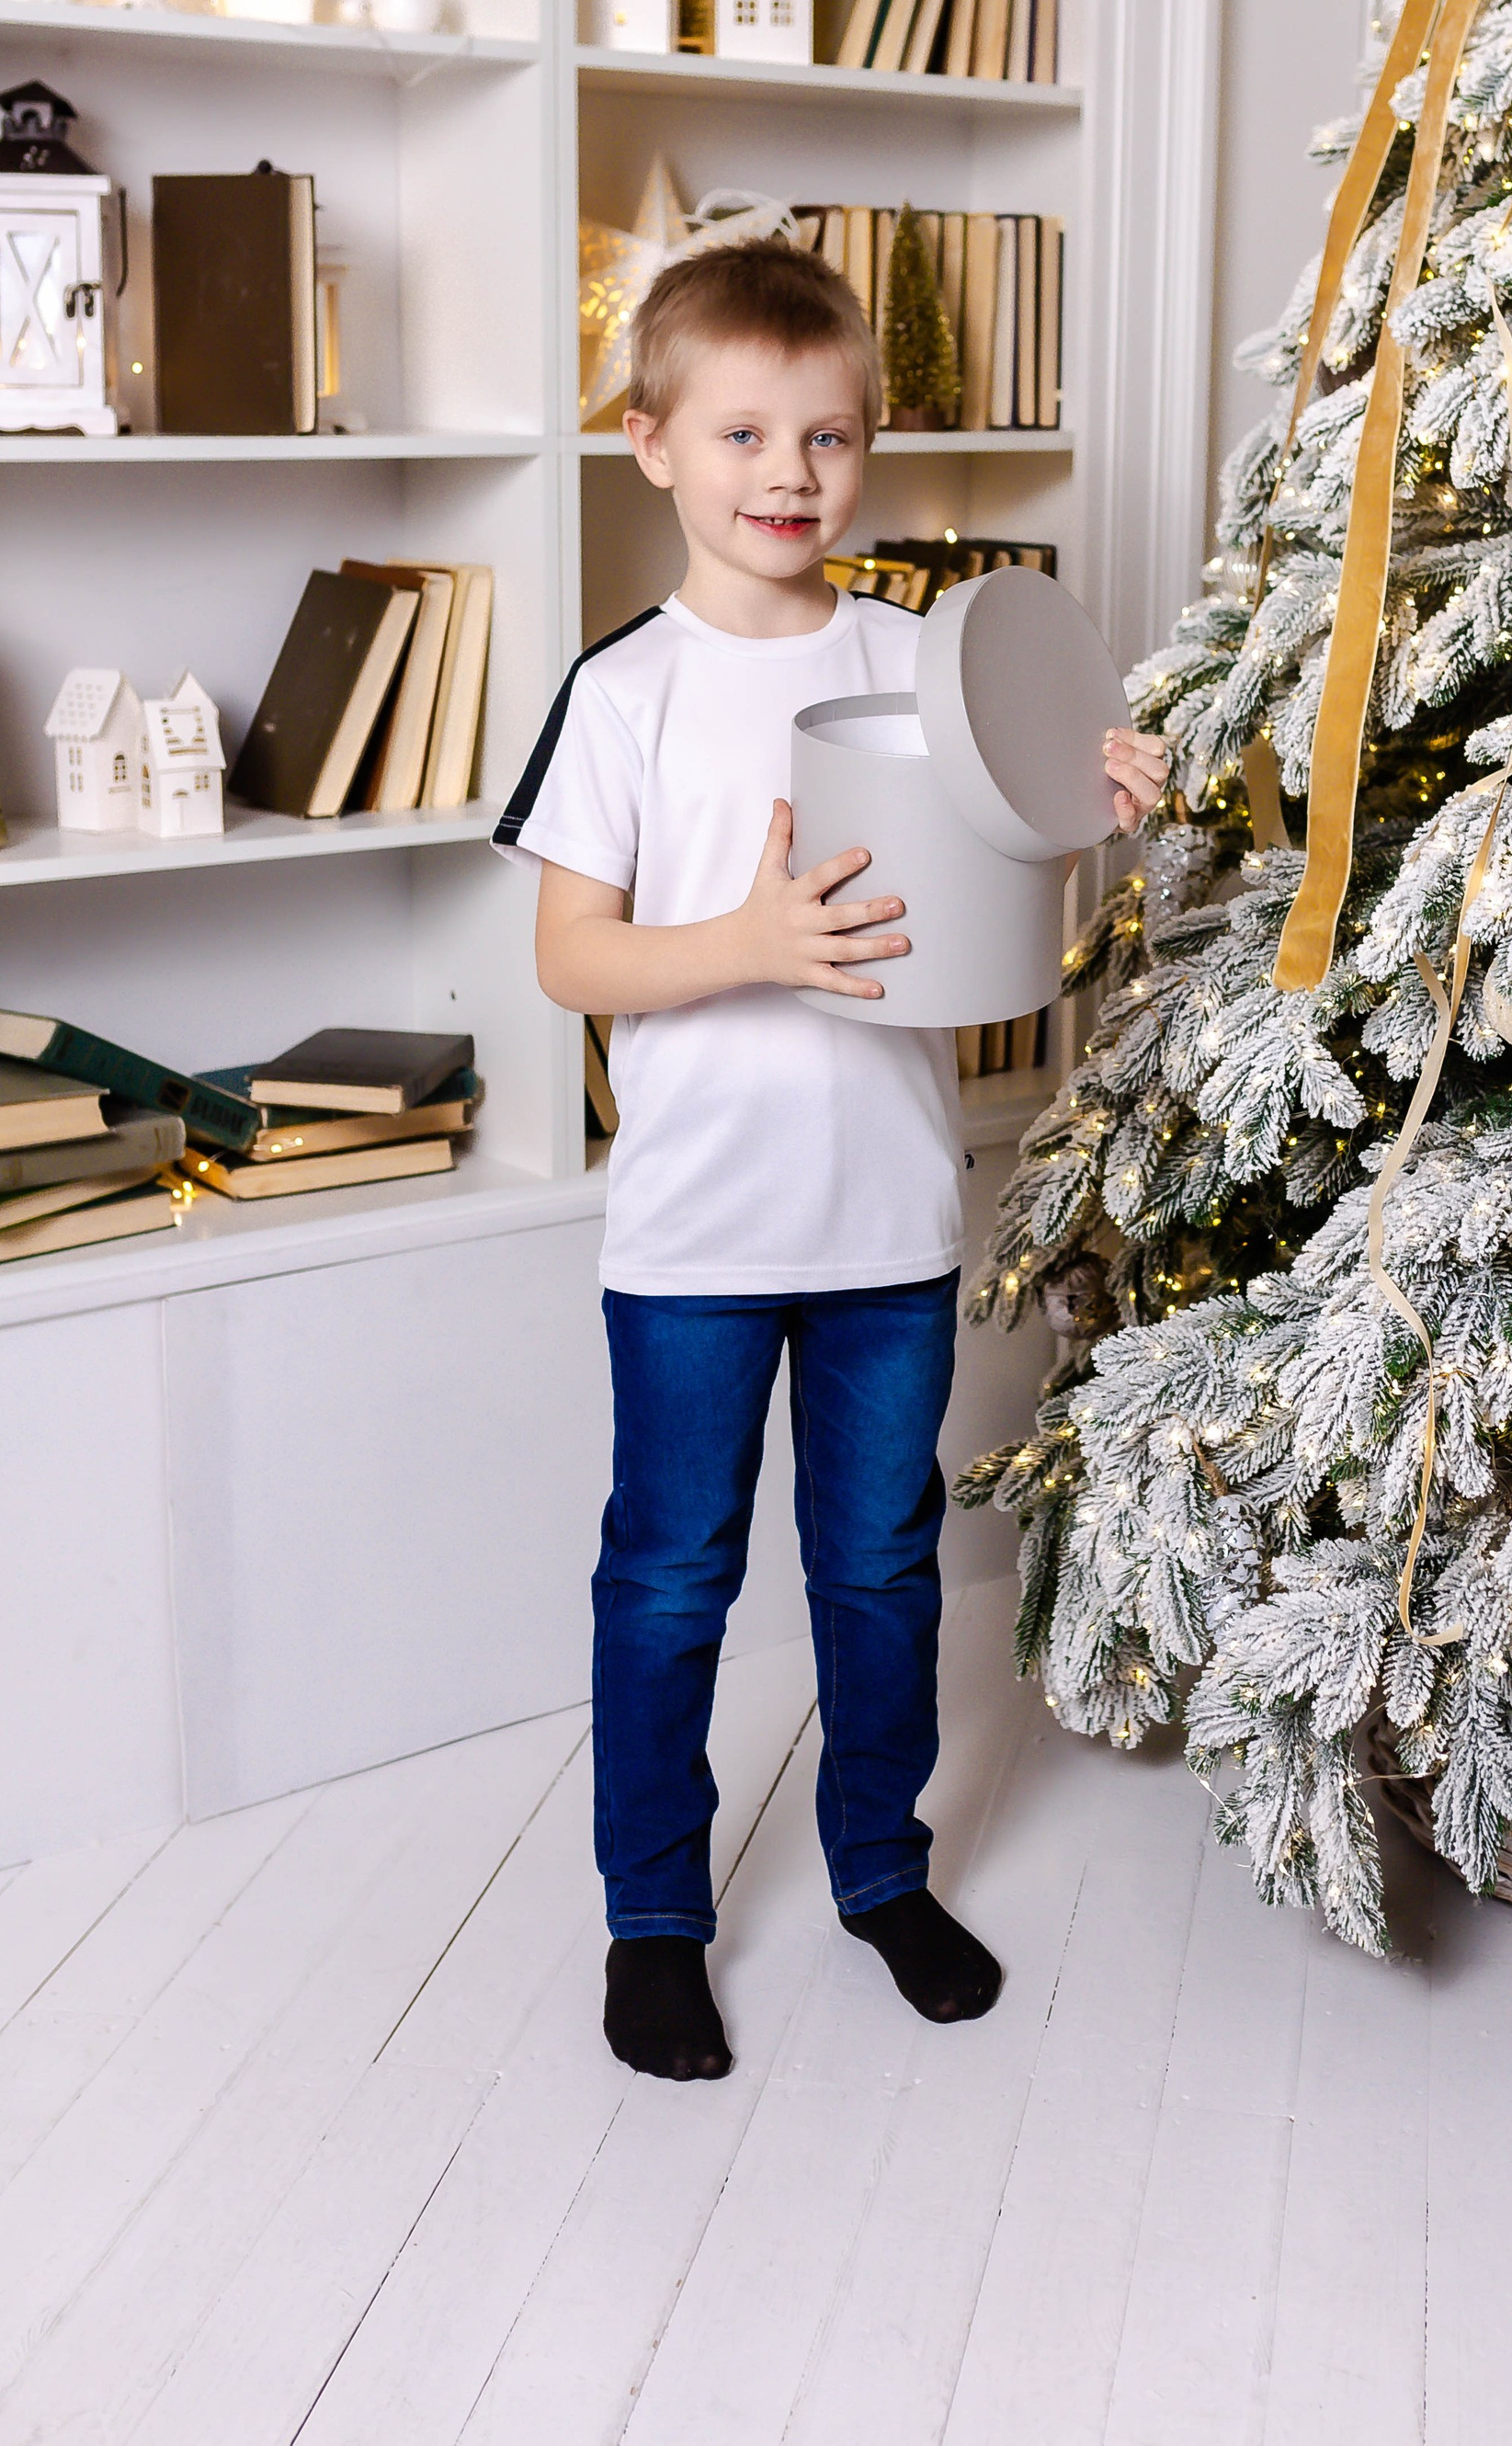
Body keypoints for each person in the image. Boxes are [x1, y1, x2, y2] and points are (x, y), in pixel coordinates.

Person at [499, 238, 1169, 2081]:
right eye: (740, 433)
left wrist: (1090, 796)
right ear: (649, 445)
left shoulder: (912, 657)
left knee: (875, 1573)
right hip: (693, 1241)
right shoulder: (626, 693)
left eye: (828, 436)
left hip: (884, 1225)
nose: (786, 474)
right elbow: (570, 957)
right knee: (667, 1580)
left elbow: (1005, 873)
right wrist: (751, 942)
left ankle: (879, 1867)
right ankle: (654, 1915)